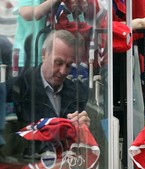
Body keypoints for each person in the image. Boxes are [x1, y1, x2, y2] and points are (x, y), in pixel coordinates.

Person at [6, 29, 90, 158]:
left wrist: (86, 130)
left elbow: (97, 148)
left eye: (68, 65)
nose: (63, 71)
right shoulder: (17, 89)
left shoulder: (79, 94)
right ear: (44, 54)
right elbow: (6, 146)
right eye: (58, 63)